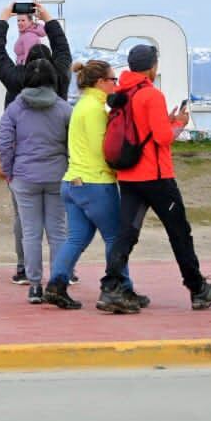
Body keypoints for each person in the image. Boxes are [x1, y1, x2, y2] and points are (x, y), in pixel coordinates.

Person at [97, 43, 211, 314]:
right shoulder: (151, 94)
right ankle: (198, 289)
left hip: (128, 175)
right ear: (152, 67)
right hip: (156, 176)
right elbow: (162, 138)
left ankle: (111, 288)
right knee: (179, 232)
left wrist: (165, 121)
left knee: (127, 233)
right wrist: (179, 123)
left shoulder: (121, 92)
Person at [43, 60, 145, 310]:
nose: (116, 85)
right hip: (96, 183)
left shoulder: (80, 105)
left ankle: (57, 283)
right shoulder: (97, 108)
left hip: (72, 181)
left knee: (76, 238)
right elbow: (105, 148)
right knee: (115, 238)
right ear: (100, 82)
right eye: (113, 80)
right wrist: (121, 168)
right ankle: (122, 288)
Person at [0, 3, 73, 285]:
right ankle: (63, 274)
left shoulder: (15, 81)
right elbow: (63, 50)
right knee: (59, 227)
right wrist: (48, 19)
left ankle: (26, 272)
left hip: (23, 171)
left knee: (26, 225)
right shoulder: (61, 82)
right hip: (58, 170)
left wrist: (3, 18)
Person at [0, 59, 71, 304]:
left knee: (30, 233)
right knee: (58, 232)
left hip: (24, 178)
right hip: (57, 176)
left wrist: (9, 172)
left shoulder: (14, 110)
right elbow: (74, 145)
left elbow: (5, 144)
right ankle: (58, 283)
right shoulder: (63, 109)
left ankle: (35, 285)